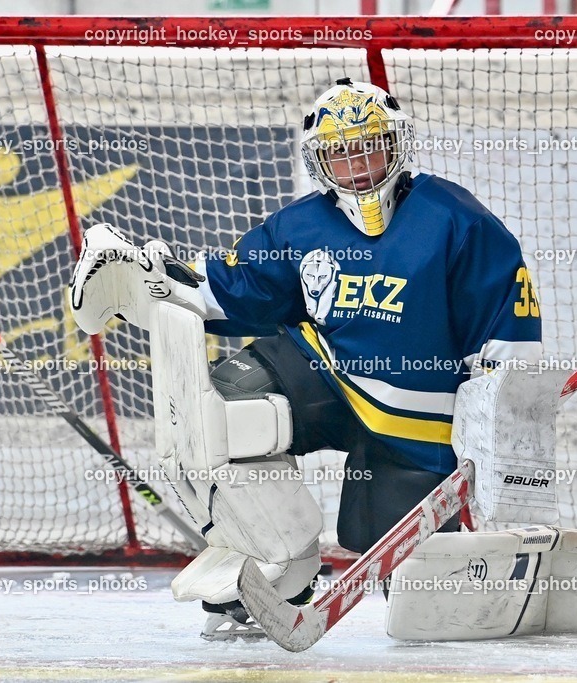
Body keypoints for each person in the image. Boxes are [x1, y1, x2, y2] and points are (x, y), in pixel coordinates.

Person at [70, 78, 545, 639]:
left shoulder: (455, 219)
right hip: (325, 374)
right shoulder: (302, 226)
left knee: (422, 593)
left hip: (421, 420)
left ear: (397, 145)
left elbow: (509, 334)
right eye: (340, 152)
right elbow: (233, 289)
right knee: (216, 411)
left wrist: (501, 426)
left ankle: (466, 577)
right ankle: (278, 567)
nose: (359, 165)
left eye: (370, 145)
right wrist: (152, 285)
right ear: (320, 163)